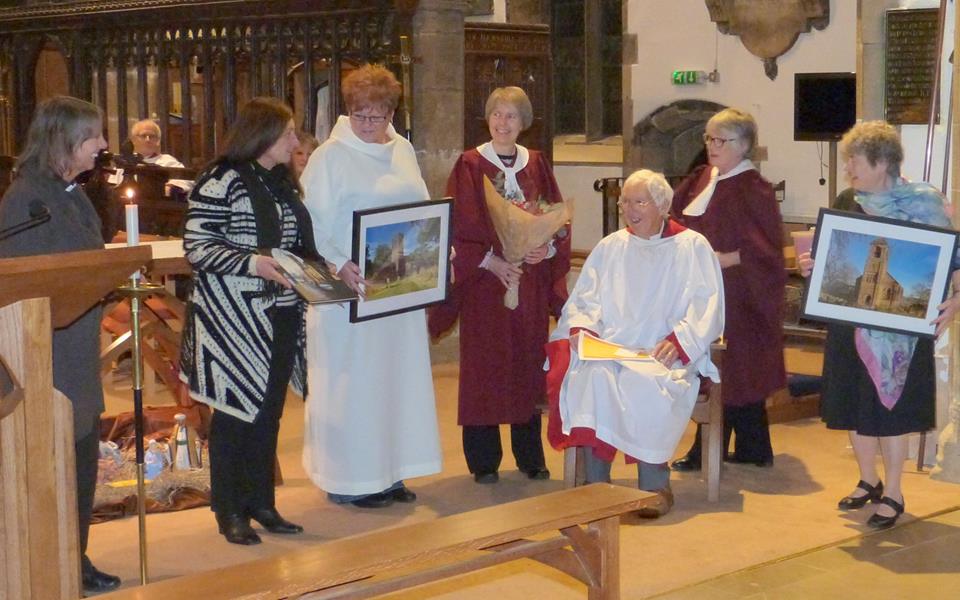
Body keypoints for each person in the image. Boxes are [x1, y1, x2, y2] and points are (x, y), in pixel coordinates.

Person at [799, 120, 959, 529]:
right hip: (849, 327)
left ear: (882, 162)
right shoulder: (847, 199)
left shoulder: (926, 204)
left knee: (892, 414)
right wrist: (814, 269)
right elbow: (835, 260)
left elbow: (953, 266)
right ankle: (867, 480)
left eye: (855, 158)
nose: (849, 165)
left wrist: (955, 302)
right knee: (855, 406)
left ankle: (894, 492)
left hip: (901, 333)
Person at [300, 64, 442, 508]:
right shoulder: (330, 156)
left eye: (376, 116)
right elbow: (311, 220)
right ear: (349, 111)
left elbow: (419, 206)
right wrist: (340, 261)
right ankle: (352, 479)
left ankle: (391, 470)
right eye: (360, 115)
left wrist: (433, 247)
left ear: (390, 112)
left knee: (396, 379)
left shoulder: (402, 149)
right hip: (351, 291)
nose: (367, 124)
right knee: (354, 384)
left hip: (397, 286)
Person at [545, 169, 724, 517]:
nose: (629, 209)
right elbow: (584, 301)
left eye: (638, 201)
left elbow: (708, 305)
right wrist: (584, 330)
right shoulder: (610, 247)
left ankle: (654, 484)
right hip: (612, 347)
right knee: (594, 376)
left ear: (662, 205)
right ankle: (596, 486)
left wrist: (681, 340)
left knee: (648, 382)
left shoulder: (691, 247)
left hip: (661, 352)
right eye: (625, 201)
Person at [179, 97, 314, 544]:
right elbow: (198, 246)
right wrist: (253, 263)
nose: (296, 141)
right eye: (290, 132)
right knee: (235, 415)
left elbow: (299, 247)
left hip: (280, 313)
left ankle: (261, 502)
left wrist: (333, 270)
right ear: (265, 134)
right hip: (231, 320)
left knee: (269, 414)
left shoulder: (280, 182)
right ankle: (229, 510)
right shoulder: (221, 179)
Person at [0, 96, 121, 593]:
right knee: (54, 463)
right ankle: (53, 559)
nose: (104, 145)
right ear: (63, 140)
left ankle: (77, 554)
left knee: (80, 459)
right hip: (44, 351)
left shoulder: (70, 191)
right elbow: (24, 282)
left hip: (75, 345)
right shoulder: (27, 198)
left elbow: (87, 255)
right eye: (93, 136)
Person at [428, 86, 571, 484]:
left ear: (523, 123)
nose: (503, 122)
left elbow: (556, 215)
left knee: (527, 364)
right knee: (485, 368)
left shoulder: (537, 163)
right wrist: (491, 261)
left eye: (511, 116)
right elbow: (458, 224)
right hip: (485, 285)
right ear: (488, 119)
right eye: (496, 114)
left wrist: (543, 246)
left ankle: (530, 456)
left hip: (528, 280)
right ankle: (484, 460)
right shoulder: (470, 165)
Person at [670, 107, 786, 470]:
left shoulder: (756, 189)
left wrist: (724, 258)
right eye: (708, 138)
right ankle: (751, 448)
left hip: (740, 293)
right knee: (720, 370)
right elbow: (676, 215)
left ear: (745, 144)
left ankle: (712, 448)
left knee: (735, 370)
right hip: (705, 290)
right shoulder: (703, 177)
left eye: (721, 139)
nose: (712, 145)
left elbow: (767, 249)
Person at [125, 118, 192, 192]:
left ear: (158, 141)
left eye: (152, 136)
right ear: (134, 140)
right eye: (143, 136)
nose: (148, 140)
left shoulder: (168, 161)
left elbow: (185, 180)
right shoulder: (125, 161)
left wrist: (169, 188)